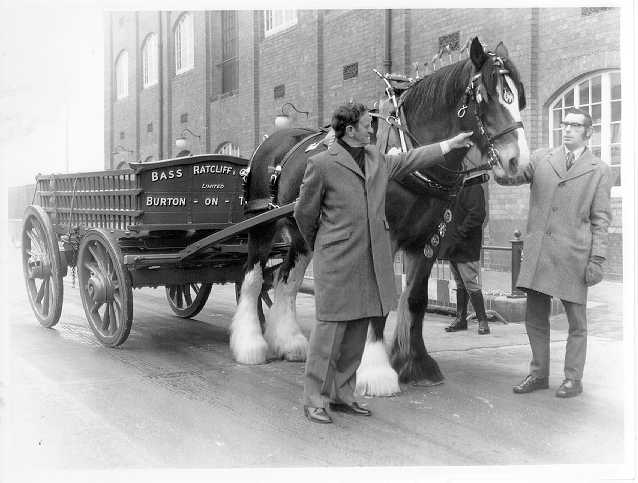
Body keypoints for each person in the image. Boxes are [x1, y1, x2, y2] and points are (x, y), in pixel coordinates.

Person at [294, 102, 474, 423]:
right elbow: (304, 214)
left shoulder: (377, 159)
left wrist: (449, 145)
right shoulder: (321, 164)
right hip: (336, 260)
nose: (372, 130)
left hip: (372, 260)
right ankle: (314, 399)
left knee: (356, 331)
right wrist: (323, 246)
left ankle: (342, 394)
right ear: (350, 130)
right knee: (329, 334)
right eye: (367, 125)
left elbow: (410, 159)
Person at [494, 107, 612, 398]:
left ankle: (573, 378)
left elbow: (601, 220)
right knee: (535, 318)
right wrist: (495, 161)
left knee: (577, 323)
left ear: (588, 132)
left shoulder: (600, 170)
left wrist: (597, 258)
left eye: (575, 125)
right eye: (565, 124)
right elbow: (511, 176)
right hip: (541, 253)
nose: (568, 129)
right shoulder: (541, 158)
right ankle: (539, 374)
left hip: (575, 255)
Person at [438, 178, 490, 335]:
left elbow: (477, 214)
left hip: (466, 244)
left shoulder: (473, 186)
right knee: (460, 283)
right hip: (453, 243)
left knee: (469, 282)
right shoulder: (454, 185)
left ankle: (483, 321)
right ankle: (461, 319)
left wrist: (460, 232)